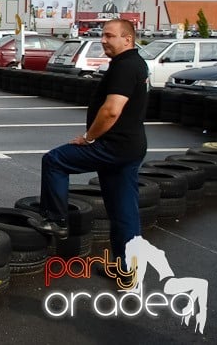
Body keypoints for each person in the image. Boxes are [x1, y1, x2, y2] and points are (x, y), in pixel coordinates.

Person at [33, 19, 148, 272]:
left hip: (113, 147)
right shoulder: (134, 63)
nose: (103, 40)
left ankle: (56, 220)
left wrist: (89, 137)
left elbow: (111, 111)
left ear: (127, 39)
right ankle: (127, 269)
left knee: (54, 161)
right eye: (103, 36)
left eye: (110, 36)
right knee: (123, 210)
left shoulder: (126, 67)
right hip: (130, 147)